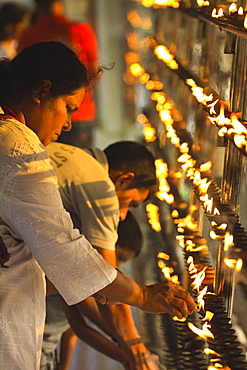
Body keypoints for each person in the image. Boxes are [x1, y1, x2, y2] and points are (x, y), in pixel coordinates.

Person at [0, 40, 196, 369]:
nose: (68, 125)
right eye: (69, 107)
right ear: (41, 92)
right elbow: (63, 248)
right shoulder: (19, 147)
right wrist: (142, 297)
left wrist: (98, 281)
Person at [44, 140, 169, 369]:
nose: (122, 216)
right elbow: (104, 278)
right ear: (124, 180)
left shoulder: (74, 154)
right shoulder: (101, 188)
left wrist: (130, 352)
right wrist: (137, 350)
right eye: (131, 203)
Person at [43, 211, 145, 370]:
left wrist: (64, 364)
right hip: (33, 343)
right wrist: (131, 353)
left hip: (47, 350)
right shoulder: (76, 273)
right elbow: (83, 325)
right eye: (118, 257)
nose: (115, 265)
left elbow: (71, 327)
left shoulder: (83, 283)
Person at [17, 0, 98, 148]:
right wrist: (77, 97)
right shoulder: (79, 30)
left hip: (38, 115)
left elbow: (20, 77)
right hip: (80, 113)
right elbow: (94, 71)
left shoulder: (29, 35)